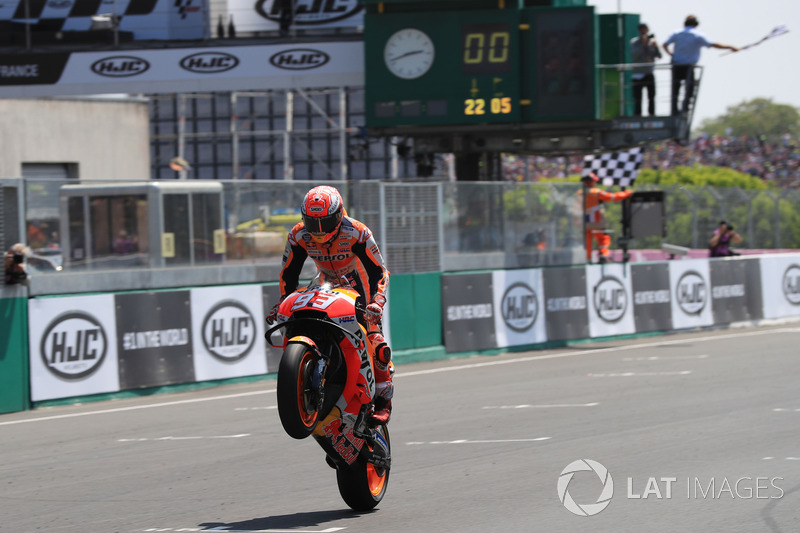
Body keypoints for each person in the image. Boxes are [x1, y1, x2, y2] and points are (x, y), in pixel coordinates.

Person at [267, 185, 393, 424]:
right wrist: (284, 301)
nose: (319, 230)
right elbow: (288, 273)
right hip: (326, 285)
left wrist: (378, 300)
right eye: (313, 223)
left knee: (375, 340)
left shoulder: (357, 232)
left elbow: (379, 271)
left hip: (360, 290)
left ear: (339, 215)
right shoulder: (298, 235)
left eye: (325, 222)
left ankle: (384, 399)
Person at [662, 15, 738, 115]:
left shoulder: (676, 33)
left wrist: (670, 53)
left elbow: (664, 45)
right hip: (689, 67)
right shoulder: (697, 35)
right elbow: (713, 44)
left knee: (675, 89)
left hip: (677, 66)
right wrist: (730, 47)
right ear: (696, 25)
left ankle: (674, 110)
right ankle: (685, 109)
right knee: (689, 89)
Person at [581, 174, 633, 263]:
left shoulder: (579, 193)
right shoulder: (596, 192)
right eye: (594, 181)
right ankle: (603, 255)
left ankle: (587, 259)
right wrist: (627, 193)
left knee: (587, 242)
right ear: (590, 182)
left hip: (584, 222)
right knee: (603, 239)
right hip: (597, 221)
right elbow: (612, 197)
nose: (595, 183)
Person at [630, 23, 662, 117]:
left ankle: (651, 113)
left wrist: (656, 47)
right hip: (638, 73)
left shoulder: (652, 42)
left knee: (651, 95)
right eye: (641, 29)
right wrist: (642, 45)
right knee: (637, 97)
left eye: (645, 29)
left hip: (649, 73)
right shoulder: (634, 42)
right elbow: (634, 56)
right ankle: (637, 114)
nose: (643, 31)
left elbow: (659, 56)